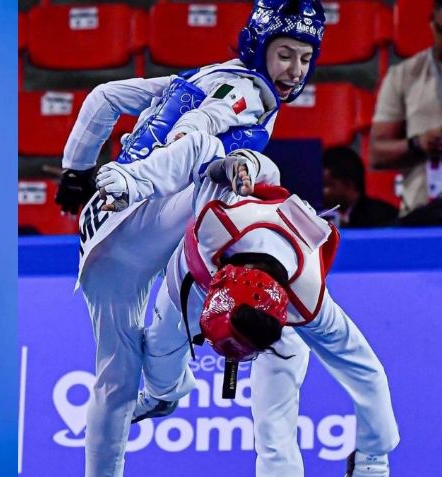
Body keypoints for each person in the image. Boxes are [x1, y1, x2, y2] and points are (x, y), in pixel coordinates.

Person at [53, 1, 325, 475]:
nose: (295, 71)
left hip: (99, 238)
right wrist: (135, 178)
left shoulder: (202, 75)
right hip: (142, 207)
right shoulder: (248, 93)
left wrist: (76, 170)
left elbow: (104, 97)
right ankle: (229, 291)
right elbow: (194, 135)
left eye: (305, 58)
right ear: (259, 46)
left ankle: (162, 392)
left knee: (113, 382)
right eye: (285, 54)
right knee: (232, 170)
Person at [95, 131, 400, 477]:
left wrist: (374, 456)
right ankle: (164, 393)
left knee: (275, 428)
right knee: (159, 354)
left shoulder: (307, 298)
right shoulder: (218, 221)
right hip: (194, 281)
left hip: (272, 323)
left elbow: (363, 368)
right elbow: (231, 166)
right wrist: (243, 163)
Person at [370, 0, 442, 224]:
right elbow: (377, 153)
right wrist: (418, 143)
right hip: (421, 213)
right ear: (432, 25)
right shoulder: (404, 75)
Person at [323, 147, 398, 227]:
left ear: (349, 185)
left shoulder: (384, 218)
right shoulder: (319, 217)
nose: (321, 192)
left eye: (325, 185)